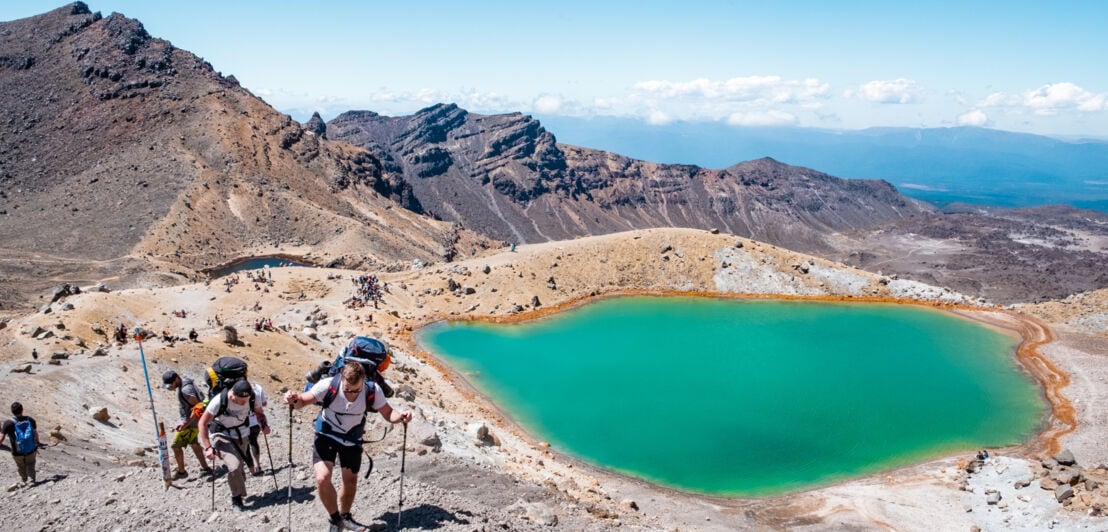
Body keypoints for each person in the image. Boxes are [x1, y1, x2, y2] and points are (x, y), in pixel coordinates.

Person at [285, 361, 411, 532]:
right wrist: (294, 399)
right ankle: (336, 519)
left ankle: (345, 516)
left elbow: (388, 413)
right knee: (322, 478)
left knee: (350, 481)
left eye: (356, 390)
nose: (351, 394)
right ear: (341, 378)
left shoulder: (372, 389)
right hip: (326, 435)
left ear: (363, 381)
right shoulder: (328, 385)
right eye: (347, 389)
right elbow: (302, 402)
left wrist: (401, 416)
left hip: (352, 439)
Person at [199, 380, 269, 511]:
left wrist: (264, 424)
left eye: (246, 400)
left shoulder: (252, 398)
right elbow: (202, 423)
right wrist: (208, 447)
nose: (244, 403)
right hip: (221, 434)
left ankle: (237, 485)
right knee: (234, 466)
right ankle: (236, 498)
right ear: (232, 395)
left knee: (239, 470)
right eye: (241, 400)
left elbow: (259, 413)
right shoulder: (219, 401)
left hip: (242, 434)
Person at [162, 370, 212, 479]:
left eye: (171, 384)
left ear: (176, 379)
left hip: (191, 424)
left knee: (176, 446)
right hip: (194, 422)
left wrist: (185, 424)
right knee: (194, 444)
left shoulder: (185, 389)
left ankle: (181, 472)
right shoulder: (186, 384)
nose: (171, 387)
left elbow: (198, 408)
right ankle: (206, 468)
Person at [0, 402, 43, 485]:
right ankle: (32, 480)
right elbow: (35, 433)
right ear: (22, 410)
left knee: (21, 466)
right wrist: (38, 442)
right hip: (30, 449)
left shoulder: (8, 423)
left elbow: (1, 437)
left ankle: (24, 480)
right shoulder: (30, 420)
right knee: (30, 464)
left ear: (12, 411)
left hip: (17, 451)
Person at [246, 381, 269, 475]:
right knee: (254, 442)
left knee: (245, 446)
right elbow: (264, 403)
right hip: (256, 421)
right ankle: (258, 465)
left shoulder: (236, 388)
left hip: (243, 422)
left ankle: (251, 468)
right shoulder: (258, 387)